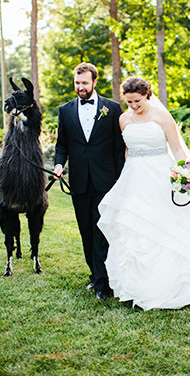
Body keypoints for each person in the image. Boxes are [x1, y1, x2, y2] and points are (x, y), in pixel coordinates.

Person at [97, 77, 190, 310]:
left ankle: (176, 281)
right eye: (129, 102)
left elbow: (176, 148)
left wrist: (189, 174)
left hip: (161, 176)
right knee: (135, 225)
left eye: (138, 101)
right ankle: (136, 285)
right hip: (134, 178)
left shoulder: (162, 117)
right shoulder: (123, 119)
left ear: (148, 96)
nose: (133, 106)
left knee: (167, 224)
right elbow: (126, 151)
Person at [54, 62, 125, 300]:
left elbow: (118, 148)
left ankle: (103, 282)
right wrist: (57, 165)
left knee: (101, 229)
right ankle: (95, 275)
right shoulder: (64, 110)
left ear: (94, 82)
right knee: (85, 228)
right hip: (80, 181)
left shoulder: (112, 109)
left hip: (106, 180)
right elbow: (61, 145)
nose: (80, 87)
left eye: (84, 83)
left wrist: (121, 178)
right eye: (77, 82)